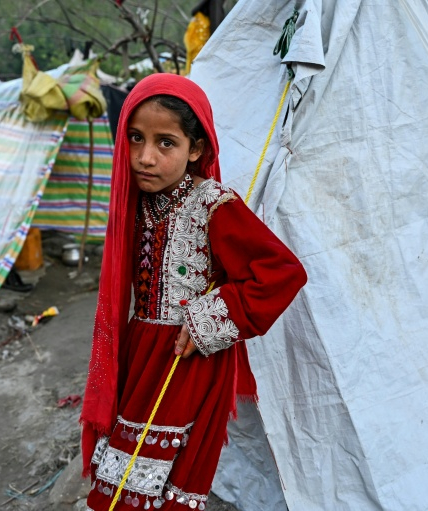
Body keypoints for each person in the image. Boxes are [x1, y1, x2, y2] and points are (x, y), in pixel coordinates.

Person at [80, 73, 307, 510]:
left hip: (187, 360)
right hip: (140, 354)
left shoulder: (212, 203)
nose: (145, 157)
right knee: (121, 476)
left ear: (196, 149)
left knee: (163, 484)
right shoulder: (137, 200)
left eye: (165, 142)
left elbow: (281, 273)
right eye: (135, 138)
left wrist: (208, 317)